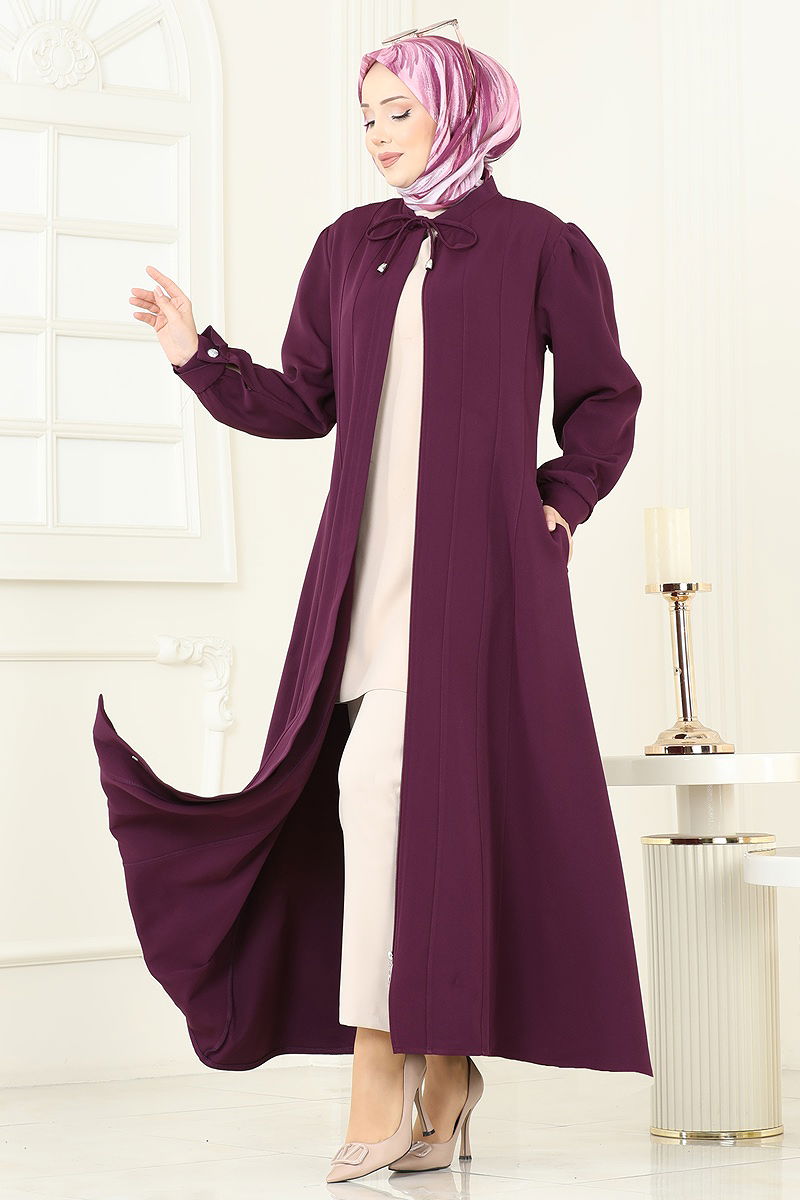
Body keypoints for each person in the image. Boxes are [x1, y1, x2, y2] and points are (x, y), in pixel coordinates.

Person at [112, 25, 650, 1189]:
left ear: (459, 109)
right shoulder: (349, 245)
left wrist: (559, 502)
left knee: (384, 796)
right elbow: (302, 402)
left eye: (397, 110)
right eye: (365, 115)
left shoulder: (538, 244)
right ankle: (445, 1079)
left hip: (481, 587)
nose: (376, 134)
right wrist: (197, 353)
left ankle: (379, 1070)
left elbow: (604, 394)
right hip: (361, 586)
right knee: (407, 817)